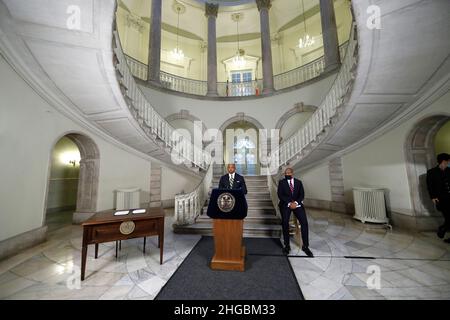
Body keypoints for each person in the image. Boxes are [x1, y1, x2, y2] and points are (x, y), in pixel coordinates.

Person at [277, 167, 313, 257]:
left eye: (289, 173)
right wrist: (290, 203)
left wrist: (296, 203)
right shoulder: (281, 183)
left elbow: (302, 194)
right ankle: (287, 246)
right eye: (286, 173)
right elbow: (280, 195)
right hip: (286, 205)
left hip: (297, 205)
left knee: (304, 223)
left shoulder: (298, 182)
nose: (287, 174)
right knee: (285, 223)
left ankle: (305, 246)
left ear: (292, 173)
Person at [426, 153, 450, 243]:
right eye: (447, 161)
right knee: (448, 217)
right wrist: (433, 197)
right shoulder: (431, 172)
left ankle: (443, 228)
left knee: (449, 218)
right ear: (443, 161)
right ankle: (442, 228)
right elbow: (430, 186)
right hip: (441, 200)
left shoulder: (449, 170)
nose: (448, 162)